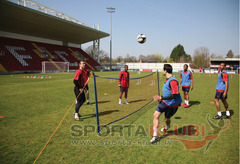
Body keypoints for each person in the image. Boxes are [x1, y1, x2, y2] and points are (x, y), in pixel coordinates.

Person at [150, 64, 182, 143]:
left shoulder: (173, 81)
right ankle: (155, 136)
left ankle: (167, 125)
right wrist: (160, 97)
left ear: (166, 71)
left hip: (172, 104)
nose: (162, 71)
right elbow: (167, 92)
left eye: (163, 69)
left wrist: (162, 98)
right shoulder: (167, 79)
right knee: (155, 115)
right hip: (164, 102)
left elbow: (174, 95)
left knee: (166, 119)